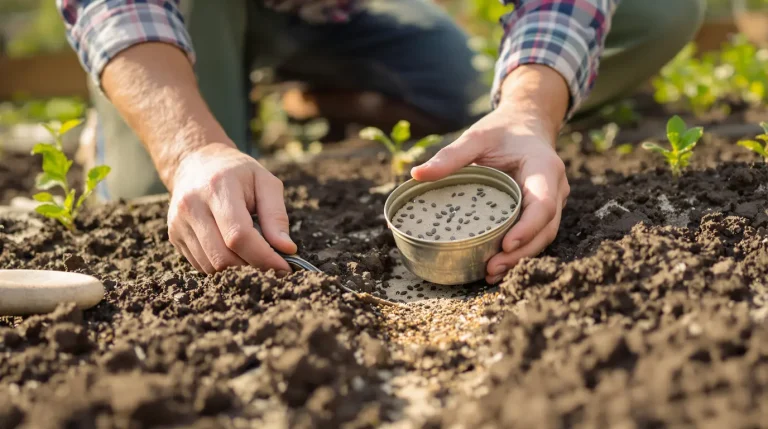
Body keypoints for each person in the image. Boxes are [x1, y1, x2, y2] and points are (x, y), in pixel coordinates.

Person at [58, 0, 705, 283]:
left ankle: (301, 92)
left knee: (455, 83)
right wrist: (189, 148)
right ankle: (204, 98)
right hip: (188, 8)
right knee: (166, 204)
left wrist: (529, 110)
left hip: (330, 12)